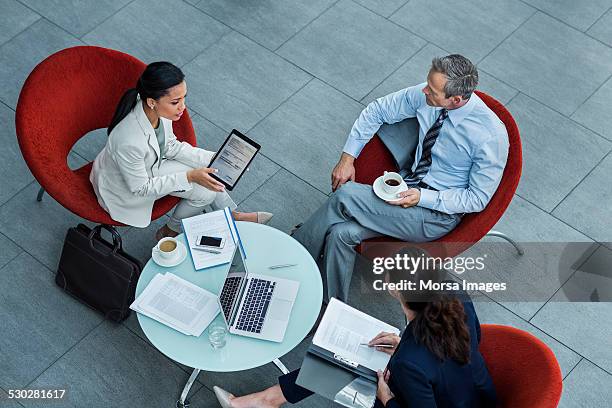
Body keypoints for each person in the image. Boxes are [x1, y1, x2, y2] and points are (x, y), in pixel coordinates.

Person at [292, 54, 509, 301]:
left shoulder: (490, 136)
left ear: (456, 100)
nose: (425, 90)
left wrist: (422, 198)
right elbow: (377, 110)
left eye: (433, 90)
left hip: (434, 215)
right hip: (405, 185)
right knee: (341, 233)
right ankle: (332, 308)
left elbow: (477, 198)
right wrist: (347, 158)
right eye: (428, 82)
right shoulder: (427, 95)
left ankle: (292, 256)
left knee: (345, 196)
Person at [212, 247, 497, 407]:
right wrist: (404, 345)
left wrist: (387, 398)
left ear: (398, 292)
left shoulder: (411, 362)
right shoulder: (454, 294)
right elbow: (471, 341)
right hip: (478, 393)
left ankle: (264, 401)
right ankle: (267, 399)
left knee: (349, 359)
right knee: (355, 354)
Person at [90, 62, 272, 240]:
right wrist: (190, 176)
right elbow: (140, 188)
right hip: (125, 190)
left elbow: (171, 147)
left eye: (184, 98)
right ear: (152, 102)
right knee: (205, 191)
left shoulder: (156, 111)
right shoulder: (129, 140)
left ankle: (225, 217)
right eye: (176, 102)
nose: (182, 107)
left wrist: (218, 159)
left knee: (209, 182)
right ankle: (173, 231)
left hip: (149, 166)